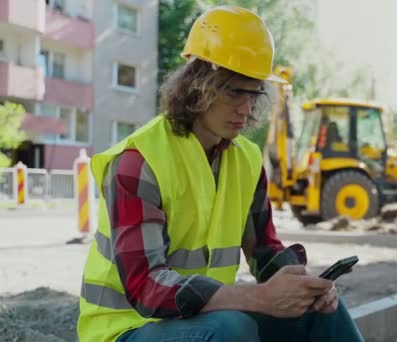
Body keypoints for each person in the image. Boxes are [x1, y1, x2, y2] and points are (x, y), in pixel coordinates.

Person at [77, 5, 364, 342]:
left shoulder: (246, 160)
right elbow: (147, 287)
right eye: (233, 91)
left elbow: (264, 251)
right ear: (196, 84)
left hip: (201, 318)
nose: (245, 108)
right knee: (233, 329)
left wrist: (303, 286)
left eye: (253, 92)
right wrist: (258, 297)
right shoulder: (139, 161)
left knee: (323, 315)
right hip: (125, 329)